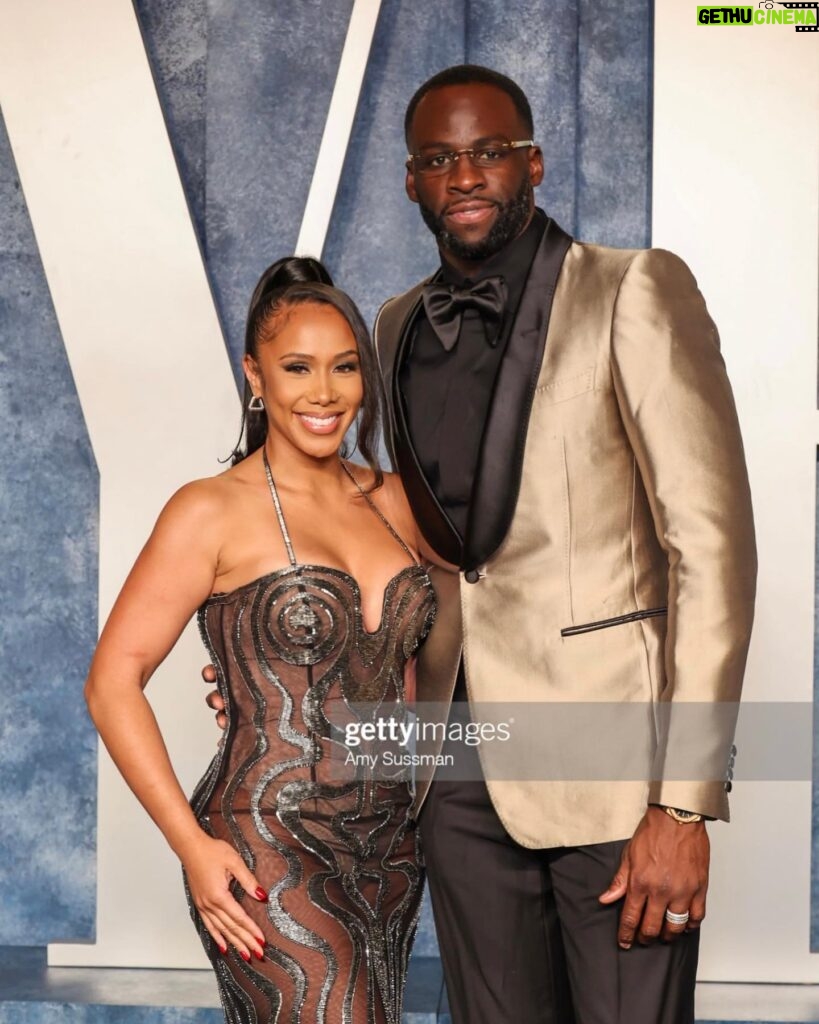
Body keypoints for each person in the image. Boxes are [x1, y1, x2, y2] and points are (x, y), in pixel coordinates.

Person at [207, 66, 756, 1023]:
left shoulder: (635, 289)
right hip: (453, 779)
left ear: (533, 163)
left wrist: (683, 802)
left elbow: (710, 550)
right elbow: (388, 538)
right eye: (438, 158)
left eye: (488, 151)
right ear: (412, 182)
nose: (465, 174)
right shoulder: (391, 325)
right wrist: (281, 668)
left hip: (614, 773)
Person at [85, 257, 436, 1024]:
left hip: (392, 848)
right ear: (255, 376)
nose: (323, 392)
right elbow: (112, 683)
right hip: (261, 841)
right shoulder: (210, 511)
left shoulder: (401, 504)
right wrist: (191, 845)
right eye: (297, 367)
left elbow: (438, 671)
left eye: (344, 368)